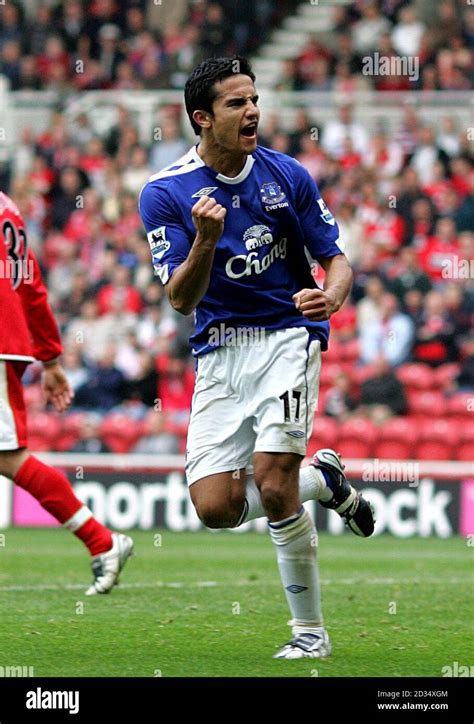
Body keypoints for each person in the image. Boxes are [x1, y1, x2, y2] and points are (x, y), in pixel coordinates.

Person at [139, 57, 374, 660]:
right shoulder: (165, 194)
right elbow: (179, 299)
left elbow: (337, 260)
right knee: (216, 508)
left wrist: (333, 297)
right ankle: (323, 482)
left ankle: (311, 635)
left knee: (272, 484)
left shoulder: (287, 175)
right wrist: (208, 242)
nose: (252, 112)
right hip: (220, 352)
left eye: (254, 99)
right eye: (236, 104)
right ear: (202, 118)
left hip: (288, 337)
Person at [0, 191, 133, 595]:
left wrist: (53, 359)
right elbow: (31, 285)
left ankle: (102, 541)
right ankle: (101, 541)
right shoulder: (8, 207)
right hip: (10, 342)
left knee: (9, 457)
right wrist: (52, 359)